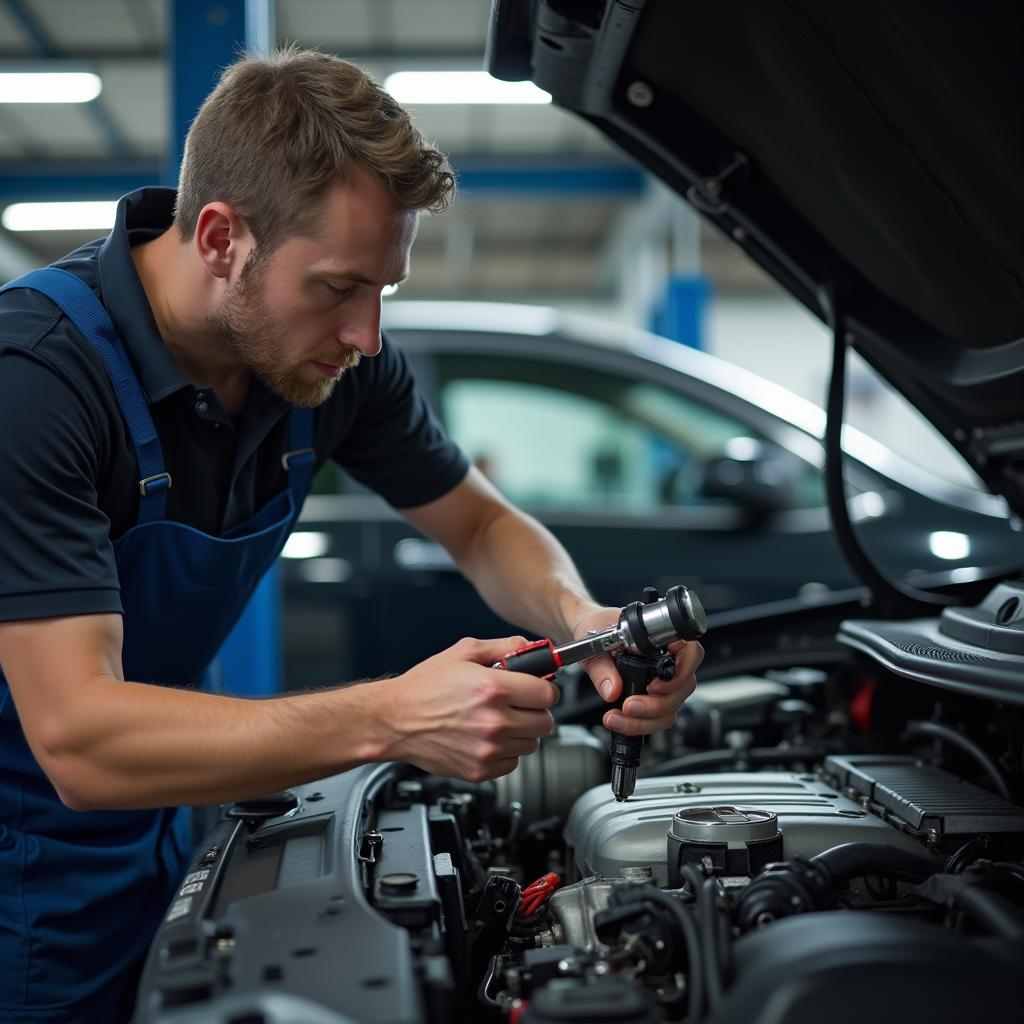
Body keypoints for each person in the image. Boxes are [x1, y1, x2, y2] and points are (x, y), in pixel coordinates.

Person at [0, 48, 703, 1022]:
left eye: (387, 290)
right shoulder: (35, 382)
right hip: (23, 872)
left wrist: (581, 616)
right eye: (337, 288)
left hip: (165, 822)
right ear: (219, 238)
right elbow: (79, 740)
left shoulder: (328, 367)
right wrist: (397, 717)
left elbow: (478, 522)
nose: (368, 333)